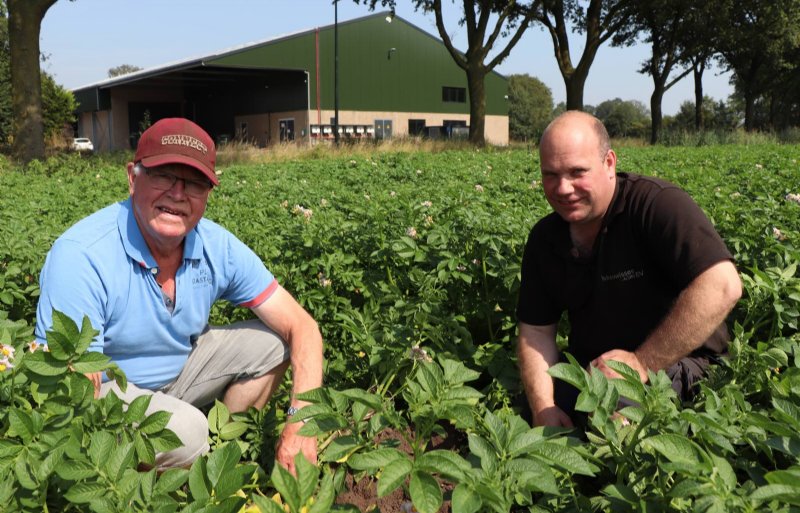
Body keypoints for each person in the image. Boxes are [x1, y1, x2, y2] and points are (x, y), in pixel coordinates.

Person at [35, 118, 323, 472]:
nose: (177, 194)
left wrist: (302, 422)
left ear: (207, 195)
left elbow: (304, 328)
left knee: (274, 344)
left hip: (180, 375)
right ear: (132, 177)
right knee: (188, 432)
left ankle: (224, 455)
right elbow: (74, 387)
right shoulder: (82, 255)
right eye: (163, 175)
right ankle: (159, 478)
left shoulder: (217, 247)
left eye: (195, 183)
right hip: (108, 391)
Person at [516, 111, 742, 427]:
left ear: (609, 163)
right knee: (535, 406)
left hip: (682, 361)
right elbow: (536, 331)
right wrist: (544, 409)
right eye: (550, 174)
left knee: (611, 413)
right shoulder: (545, 239)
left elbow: (722, 285)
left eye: (577, 172)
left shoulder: (655, 204)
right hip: (596, 370)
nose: (563, 188)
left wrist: (641, 363)